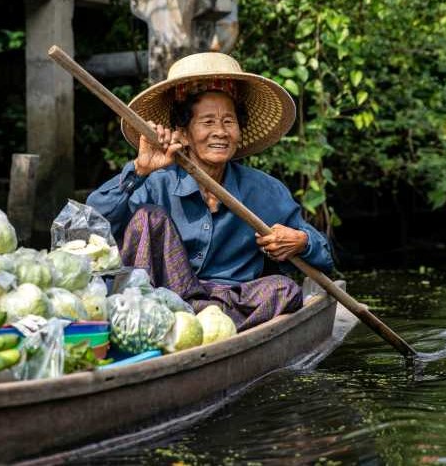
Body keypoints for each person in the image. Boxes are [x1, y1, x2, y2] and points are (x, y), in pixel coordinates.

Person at [86, 52, 334, 331]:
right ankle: (168, 323)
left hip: (228, 305)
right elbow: (91, 224)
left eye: (228, 121)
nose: (220, 132)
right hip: (162, 301)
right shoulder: (156, 182)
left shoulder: (264, 190)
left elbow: (325, 256)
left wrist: (301, 242)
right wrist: (140, 170)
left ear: (240, 130)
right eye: (207, 122)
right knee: (148, 219)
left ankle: (207, 327)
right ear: (183, 131)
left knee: (284, 289)